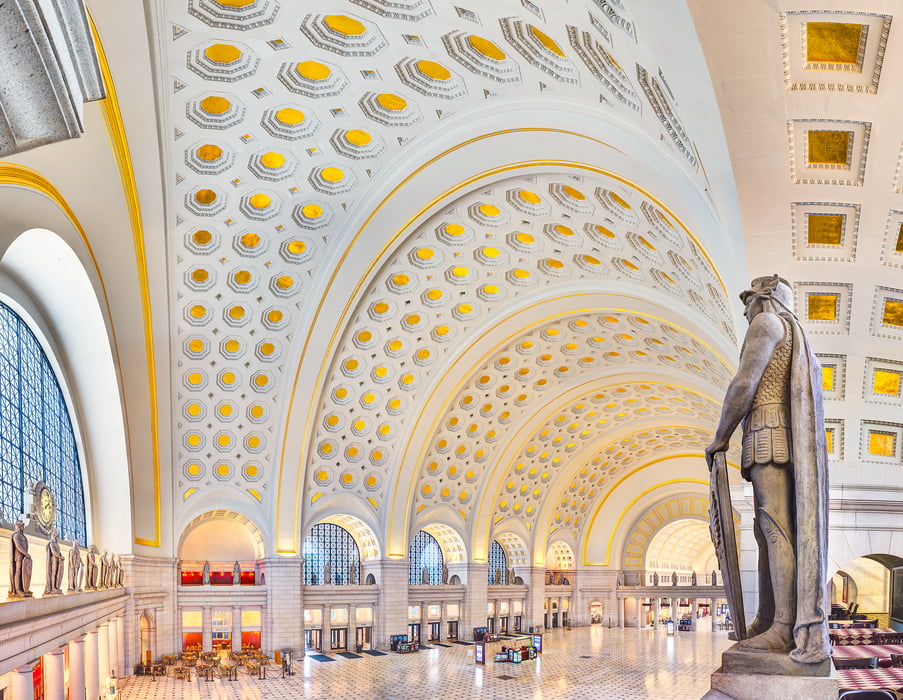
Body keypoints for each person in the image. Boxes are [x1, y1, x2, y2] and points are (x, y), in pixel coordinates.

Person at [705, 274, 829, 664]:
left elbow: (744, 383)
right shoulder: (792, 334)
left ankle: (782, 626)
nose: (745, 309)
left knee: (774, 529)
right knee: (765, 530)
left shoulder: (767, 323)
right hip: (773, 432)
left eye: (748, 301)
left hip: (768, 430)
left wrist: (720, 437)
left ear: (766, 297)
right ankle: (768, 618)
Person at [9, 520, 33, 597]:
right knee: (18, 571)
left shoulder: (23, 536)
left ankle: (23, 588)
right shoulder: (16, 535)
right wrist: (26, 554)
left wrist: (26, 555)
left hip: (24, 557)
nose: (23, 527)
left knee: (23, 572)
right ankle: (17, 589)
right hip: (18, 556)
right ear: (19, 526)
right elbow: (18, 546)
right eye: (22, 525)